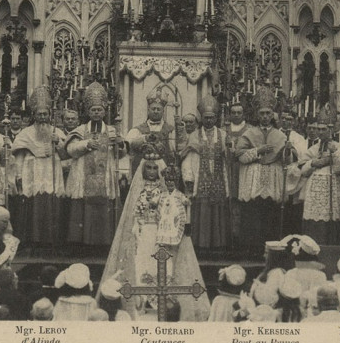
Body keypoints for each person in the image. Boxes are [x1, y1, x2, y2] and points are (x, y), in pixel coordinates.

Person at [99, 150, 209, 321]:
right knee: (142, 264)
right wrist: (137, 225)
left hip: (161, 233)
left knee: (163, 265)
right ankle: (141, 301)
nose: (151, 171)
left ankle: (162, 302)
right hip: (144, 232)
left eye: (154, 168)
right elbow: (134, 212)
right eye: (148, 168)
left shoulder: (166, 190)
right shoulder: (139, 188)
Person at [65, 82, 123, 246]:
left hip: (105, 175)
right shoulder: (80, 130)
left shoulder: (112, 130)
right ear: (88, 111)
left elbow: (122, 154)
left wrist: (120, 144)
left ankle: (104, 242)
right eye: (93, 110)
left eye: (99, 110)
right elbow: (70, 149)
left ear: (104, 111)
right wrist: (86, 145)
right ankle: (83, 243)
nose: (96, 113)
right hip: (84, 174)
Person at [10, 87, 68, 246]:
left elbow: (65, 155)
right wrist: (19, 175)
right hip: (32, 173)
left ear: (50, 115)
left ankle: (52, 240)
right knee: (33, 204)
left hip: (51, 170)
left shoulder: (57, 131)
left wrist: (59, 143)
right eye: (39, 114)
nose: (42, 117)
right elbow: (18, 155)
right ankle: (33, 240)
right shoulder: (25, 133)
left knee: (51, 202)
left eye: (45, 114)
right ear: (33, 115)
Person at [236, 88, 292, 246]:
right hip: (253, 178)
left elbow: (286, 162)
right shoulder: (248, 133)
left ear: (273, 114)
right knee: (252, 214)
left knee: (271, 214)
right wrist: (257, 151)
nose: (265, 116)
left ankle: (271, 249)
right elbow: (240, 156)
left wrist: (287, 151)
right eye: (262, 113)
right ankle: (252, 249)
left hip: (273, 179)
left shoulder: (280, 135)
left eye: (268, 113)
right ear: (257, 114)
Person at [182, 94, 230, 249]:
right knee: (201, 209)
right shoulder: (195, 135)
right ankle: (200, 244)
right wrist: (188, 178)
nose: (209, 120)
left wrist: (229, 147)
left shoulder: (223, 135)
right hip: (200, 177)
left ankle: (218, 244)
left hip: (217, 177)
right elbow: (188, 158)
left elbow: (228, 156)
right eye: (206, 117)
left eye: (212, 117)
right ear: (201, 118)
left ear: (216, 118)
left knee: (218, 209)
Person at [301, 109, 340, 245]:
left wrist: (334, 155)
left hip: (332, 191)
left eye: (324, 129)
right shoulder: (313, 149)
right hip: (315, 193)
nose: (321, 132)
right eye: (319, 129)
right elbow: (303, 170)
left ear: (331, 130)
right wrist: (314, 163)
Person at [126, 87, 175, 178]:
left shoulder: (171, 130)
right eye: (153, 109)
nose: (156, 111)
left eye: (158, 109)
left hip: (163, 173)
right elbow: (128, 146)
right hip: (142, 172)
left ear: (163, 111)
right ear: (148, 110)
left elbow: (175, 150)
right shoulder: (137, 130)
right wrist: (143, 139)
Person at [224, 102, 250, 245]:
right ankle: (228, 238)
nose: (235, 115)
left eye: (239, 112)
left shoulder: (250, 130)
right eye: (233, 112)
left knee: (241, 202)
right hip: (227, 168)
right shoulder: (224, 129)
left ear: (243, 114)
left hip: (242, 170)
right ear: (229, 114)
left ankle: (241, 239)